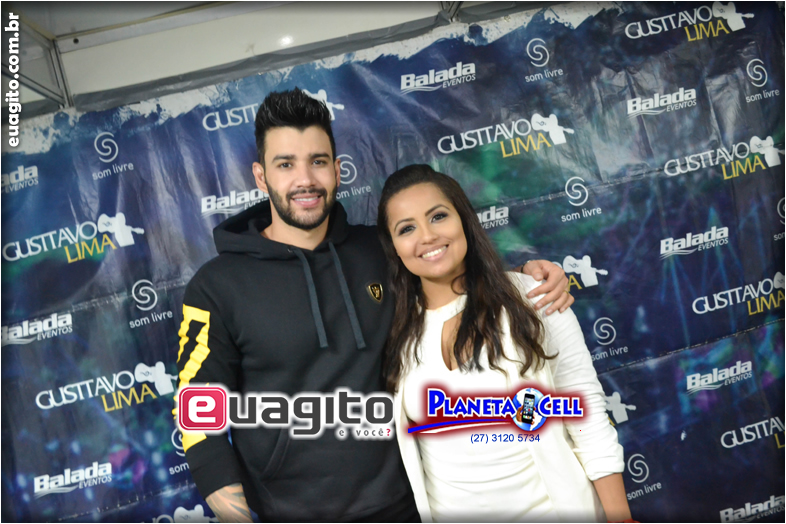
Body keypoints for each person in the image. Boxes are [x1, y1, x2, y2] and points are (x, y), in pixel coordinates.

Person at [175, 88, 573, 522]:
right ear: (260, 175)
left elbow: (453, 276)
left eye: (318, 161)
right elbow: (198, 413)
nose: (305, 180)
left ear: (337, 170)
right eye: (285, 164)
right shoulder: (215, 287)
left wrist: (527, 277)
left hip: (410, 505)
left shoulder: (379, 250)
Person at [377, 164, 632, 523]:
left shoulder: (534, 297)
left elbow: (587, 416)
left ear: (464, 219)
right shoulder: (395, 328)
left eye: (438, 216)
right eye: (407, 228)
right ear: (393, 247)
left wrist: (621, 518)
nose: (427, 236)